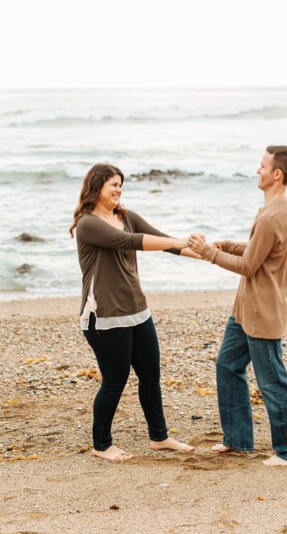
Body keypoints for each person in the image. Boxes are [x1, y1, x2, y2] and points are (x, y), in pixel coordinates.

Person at [70, 163, 199, 462]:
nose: (118, 190)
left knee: (150, 376)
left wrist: (210, 255)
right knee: (115, 381)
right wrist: (180, 240)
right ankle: (101, 445)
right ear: (96, 187)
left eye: (120, 185)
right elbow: (132, 242)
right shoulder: (88, 224)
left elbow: (162, 240)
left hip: (137, 311)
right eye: (113, 184)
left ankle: (160, 437)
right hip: (103, 316)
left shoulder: (125, 216)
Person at [191, 145, 287, 466]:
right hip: (246, 308)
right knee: (227, 366)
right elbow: (259, 249)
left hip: (263, 312)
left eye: (262, 166)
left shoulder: (274, 214)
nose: (257, 170)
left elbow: (248, 265)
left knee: (272, 382)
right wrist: (227, 244)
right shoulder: (277, 208)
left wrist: (208, 252)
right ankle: (239, 440)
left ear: (276, 174)